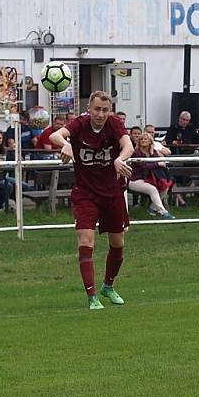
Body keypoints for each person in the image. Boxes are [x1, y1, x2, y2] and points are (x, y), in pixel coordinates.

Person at [50, 91, 134, 311]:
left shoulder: (114, 124)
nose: (101, 114)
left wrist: (120, 158)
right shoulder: (80, 124)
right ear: (89, 108)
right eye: (97, 109)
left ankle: (108, 286)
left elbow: (129, 146)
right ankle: (92, 297)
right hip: (85, 193)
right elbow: (55, 136)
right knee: (86, 242)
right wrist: (65, 145)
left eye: (105, 110)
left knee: (118, 244)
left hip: (112, 192)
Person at [129, 133, 175, 219]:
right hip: (135, 179)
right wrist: (157, 164)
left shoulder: (153, 152)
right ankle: (164, 213)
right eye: (141, 139)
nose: (143, 140)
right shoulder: (136, 153)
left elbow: (160, 161)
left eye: (145, 139)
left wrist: (154, 156)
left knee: (165, 187)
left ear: (150, 141)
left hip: (149, 178)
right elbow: (144, 165)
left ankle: (152, 208)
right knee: (152, 189)